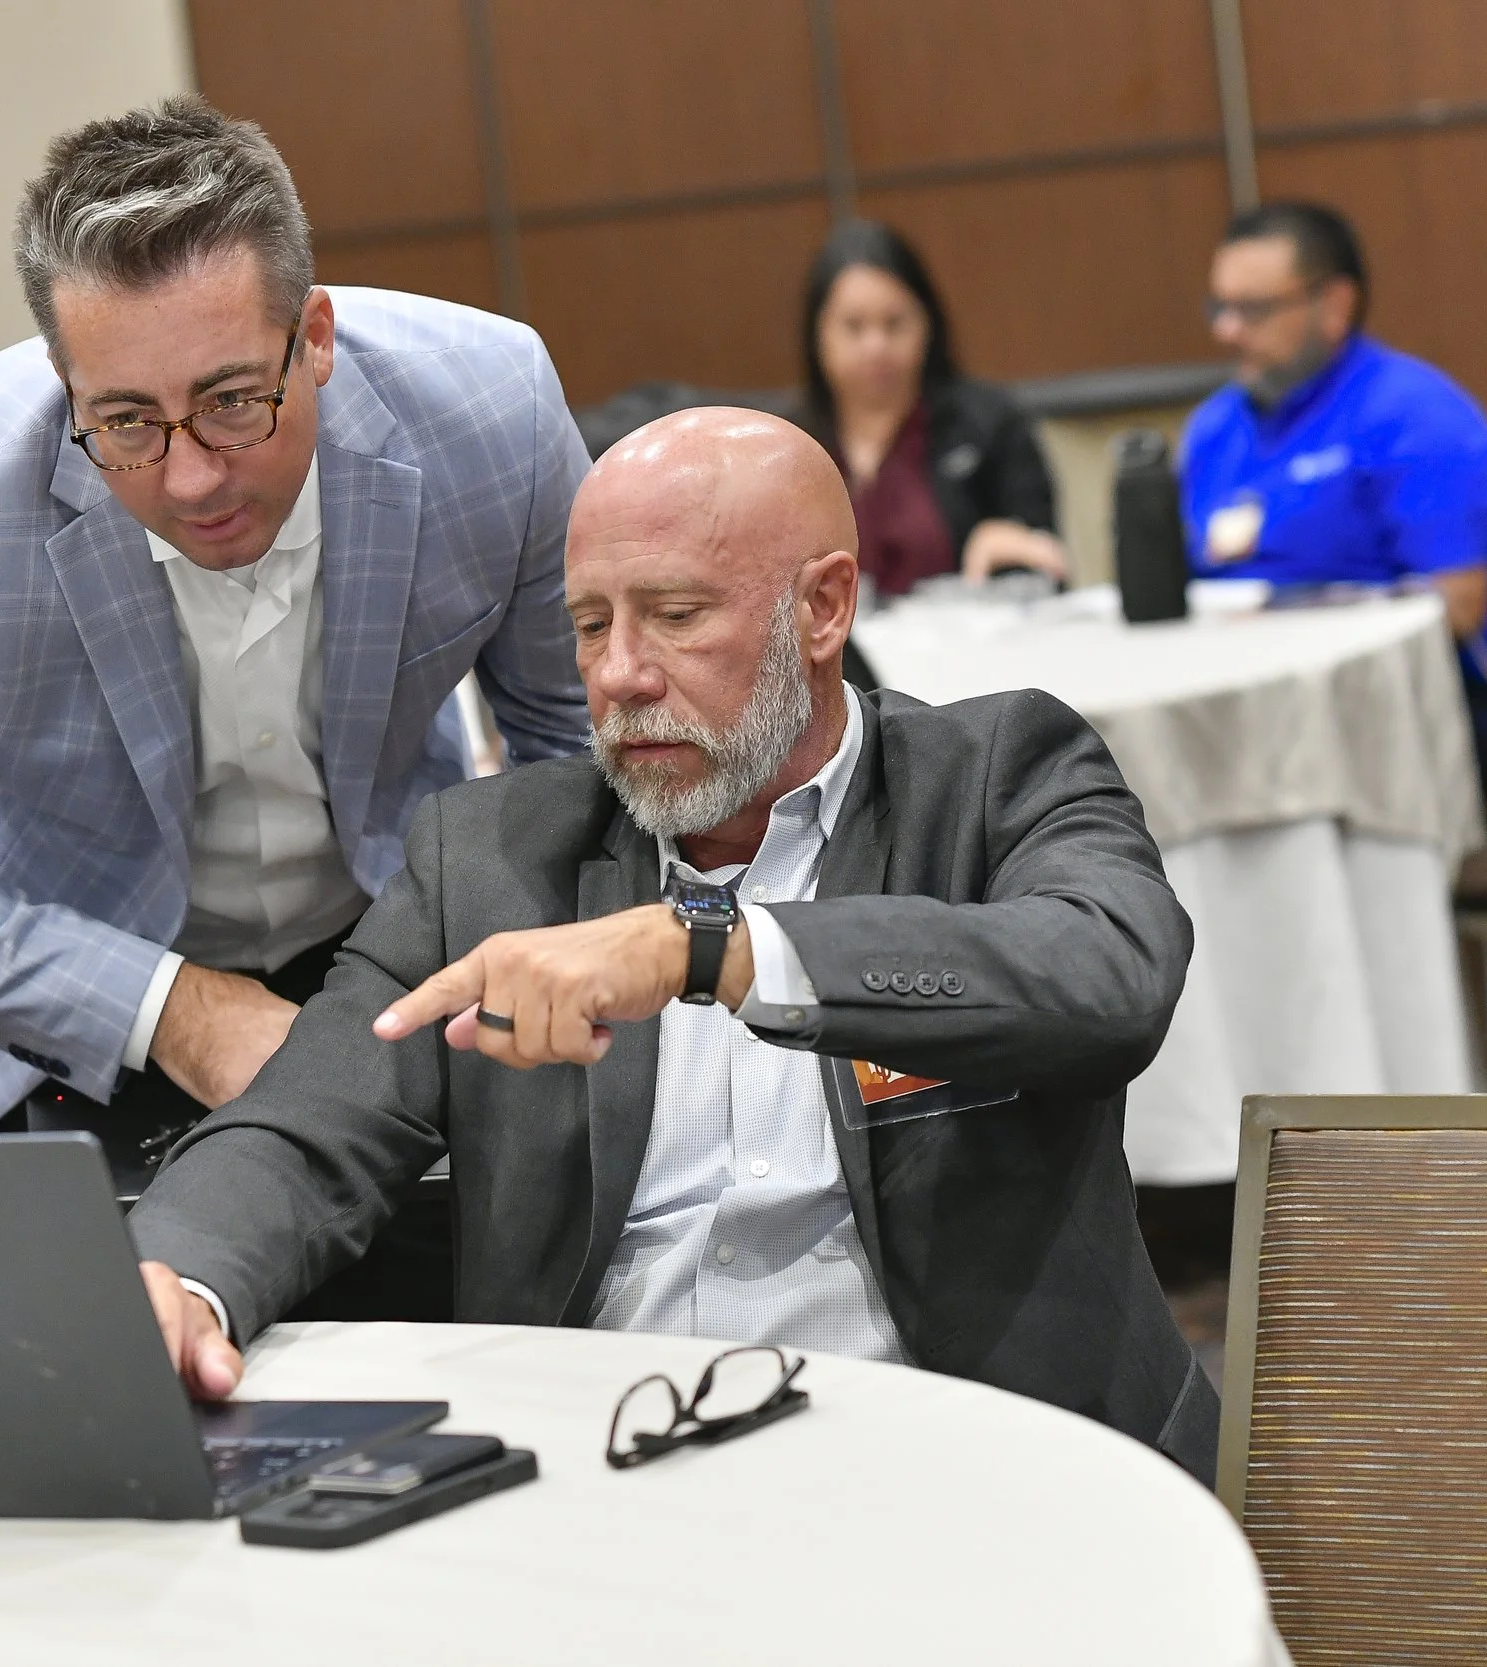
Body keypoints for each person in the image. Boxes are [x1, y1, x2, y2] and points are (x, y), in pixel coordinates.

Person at [128, 408, 1219, 1479]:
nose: (618, 673)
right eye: (591, 623)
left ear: (822, 606)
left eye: (675, 613)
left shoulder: (992, 777)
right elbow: (301, 1126)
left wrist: (715, 946)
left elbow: (1108, 973)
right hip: (601, 1469)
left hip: (980, 1459)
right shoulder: (493, 858)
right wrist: (176, 1277)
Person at [0, 97, 588, 1317]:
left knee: (484, 1344)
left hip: (388, 961)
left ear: (315, 335)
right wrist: (167, 1008)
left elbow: (575, 744)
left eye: (234, 400)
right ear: (62, 381)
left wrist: (513, 955)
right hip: (33, 1001)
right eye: (127, 422)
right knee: (89, 1420)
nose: (191, 477)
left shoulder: (489, 414)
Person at [1179, 200, 1487, 698]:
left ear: (1333, 306)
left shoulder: (1417, 415)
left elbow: (1459, 606)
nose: (1225, 330)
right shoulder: (1213, 429)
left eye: (1253, 310)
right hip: (1236, 695)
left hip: (1386, 705)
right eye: (1219, 307)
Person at [801, 220, 1065, 596]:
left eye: (894, 324)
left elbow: (1050, 562)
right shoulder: (788, 446)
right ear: (818, 337)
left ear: (928, 325)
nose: (876, 347)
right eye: (854, 327)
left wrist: (1013, 546)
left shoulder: (990, 424)